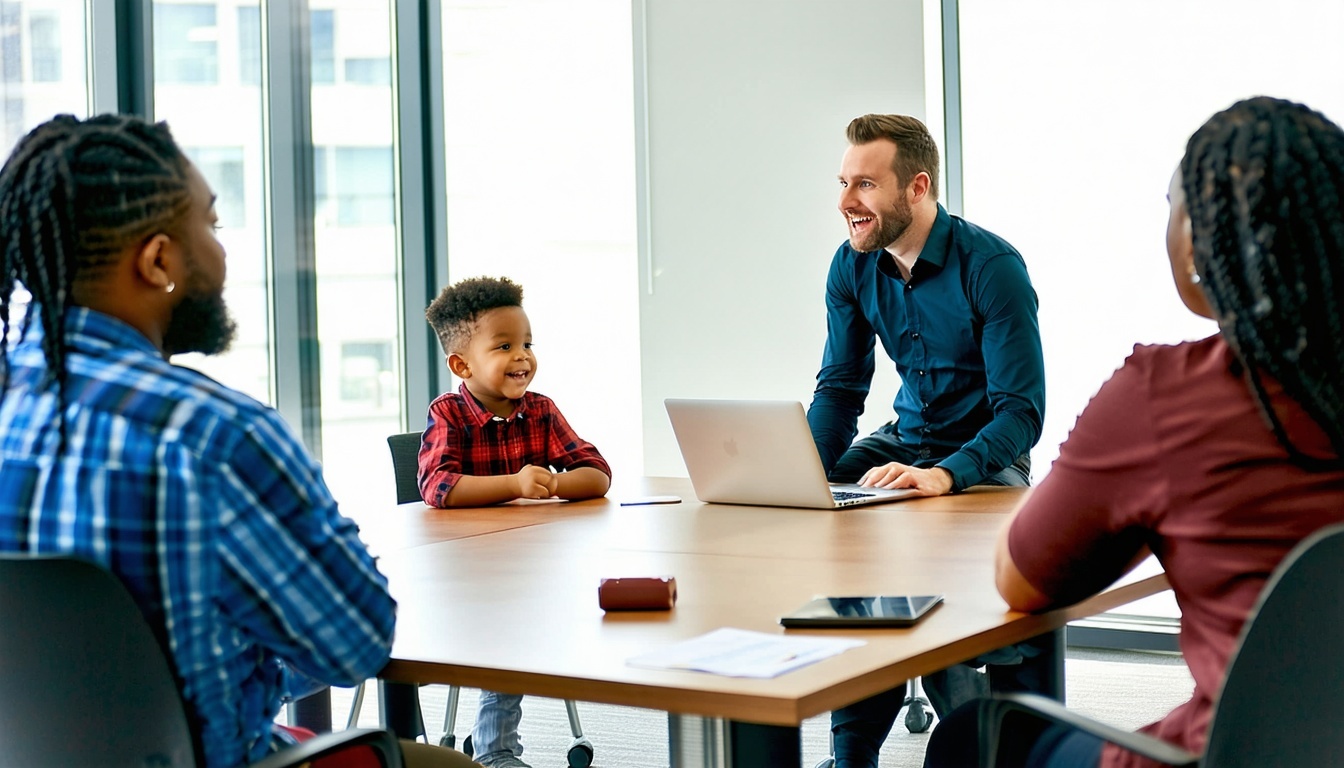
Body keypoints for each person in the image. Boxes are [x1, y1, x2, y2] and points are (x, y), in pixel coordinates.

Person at [0, 114, 478, 768]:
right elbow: (357, 643)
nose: (222, 254)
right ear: (159, 260)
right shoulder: (213, 436)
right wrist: (250, 667)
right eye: (213, 226)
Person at [924, 95, 1344, 768]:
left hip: (1221, 756)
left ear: (1196, 240)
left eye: (1173, 206)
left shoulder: (1169, 396)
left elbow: (1021, 581)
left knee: (969, 736)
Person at [809, 113, 1049, 767]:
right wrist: (805, 478)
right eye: (842, 183)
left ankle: (972, 738)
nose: (845, 201)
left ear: (916, 188)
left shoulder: (991, 267)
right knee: (831, 520)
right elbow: (840, 390)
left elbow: (1022, 414)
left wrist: (945, 474)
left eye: (864, 184)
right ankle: (852, 756)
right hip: (903, 441)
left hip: (985, 458)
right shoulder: (852, 265)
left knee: (927, 541)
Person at [419, 275, 612, 768]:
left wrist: (554, 482)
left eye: (527, 343)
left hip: (527, 570)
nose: (522, 356)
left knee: (535, 614)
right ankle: (496, 751)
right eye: (504, 346)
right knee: (508, 625)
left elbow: (597, 474)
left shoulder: (540, 411)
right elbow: (438, 487)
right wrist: (516, 483)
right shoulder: (449, 414)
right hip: (461, 576)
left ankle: (493, 744)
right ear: (462, 365)